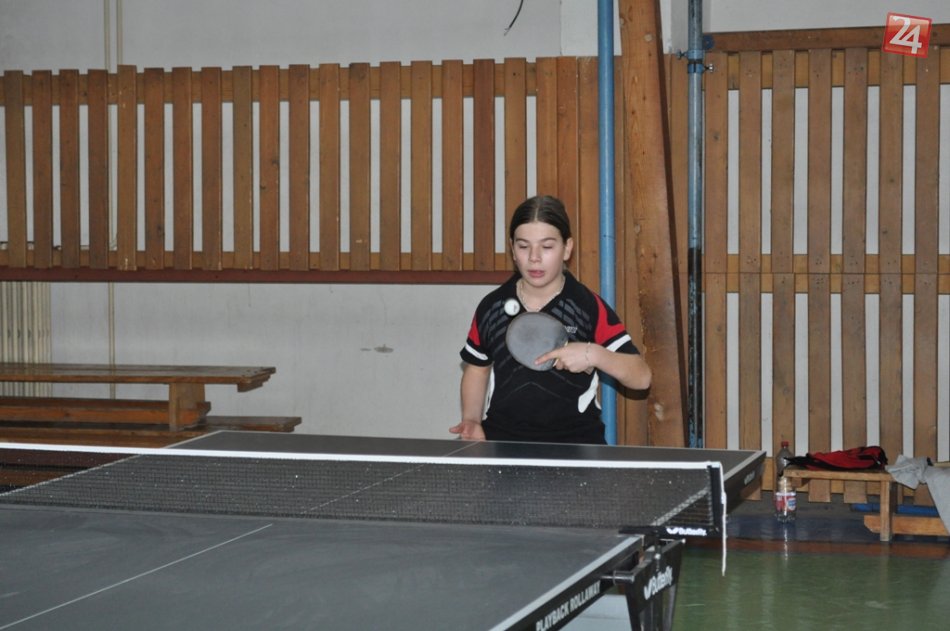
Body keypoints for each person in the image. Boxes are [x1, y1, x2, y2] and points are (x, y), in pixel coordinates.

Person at [449, 195, 651, 444]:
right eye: (524, 246)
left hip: (577, 444)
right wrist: (471, 419)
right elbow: (477, 368)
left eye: (547, 247)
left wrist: (594, 355)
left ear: (567, 248)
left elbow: (642, 378)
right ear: (512, 249)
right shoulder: (492, 307)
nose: (534, 257)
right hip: (503, 441)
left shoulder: (587, 306)